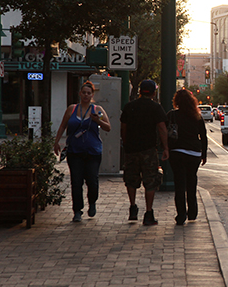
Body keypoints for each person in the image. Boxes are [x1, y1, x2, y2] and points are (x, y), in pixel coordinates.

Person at [54, 81, 111, 222]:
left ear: (92, 95)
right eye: (84, 92)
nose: (86, 95)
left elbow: (108, 127)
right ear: (80, 93)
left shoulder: (97, 109)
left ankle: (92, 202)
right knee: (76, 181)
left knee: (92, 180)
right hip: (75, 151)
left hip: (93, 152)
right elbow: (62, 126)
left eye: (89, 93)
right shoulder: (72, 109)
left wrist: (98, 121)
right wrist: (56, 142)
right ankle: (77, 210)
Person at [120, 79, 169, 225]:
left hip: (131, 150)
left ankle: (133, 207)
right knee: (150, 181)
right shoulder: (156, 107)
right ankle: (148, 213)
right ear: (154, 92)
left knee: (131, 179)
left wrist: (126, 143)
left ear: (140, 91)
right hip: (148, 150)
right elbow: (162, 128)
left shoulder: (129, 107)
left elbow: (124, 128)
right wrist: (165, 147)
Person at [167, 89, 208, 225]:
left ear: (176, 101)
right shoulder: (197, 116)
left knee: (179, 184)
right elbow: (203, 136)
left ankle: (181, 215)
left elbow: (165, 133)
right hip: (194, 153)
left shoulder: (172, 115)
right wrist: (204, 154)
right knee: (192, 181)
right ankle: (192, 212)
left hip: (177, 152)